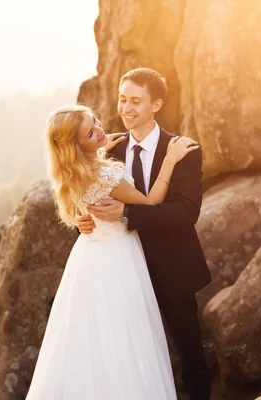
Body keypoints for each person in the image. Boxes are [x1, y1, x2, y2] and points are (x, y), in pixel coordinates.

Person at [26, 103, 198, 399]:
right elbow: (151, 202)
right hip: (118, 258)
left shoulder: (71, 175)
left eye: (96, 122)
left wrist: (101, 143)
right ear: (76, 146)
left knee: (93, 337)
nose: (101, 131)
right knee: (126, 334)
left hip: (88, 259)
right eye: (92, 133)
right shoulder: (107, 175)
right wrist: (169, 161)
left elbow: (85, 211)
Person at [76, 67, 212, 400]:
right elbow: (88, 198)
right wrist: (82, 223)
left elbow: (186, 212)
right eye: (123, 99)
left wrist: (127, 213)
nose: (126, 108)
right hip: (123, 273)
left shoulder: (183, 151)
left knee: (190, 353)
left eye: (136, 101)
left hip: (173, 269)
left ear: (157, 104)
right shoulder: (109, 151)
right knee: (131, 355)